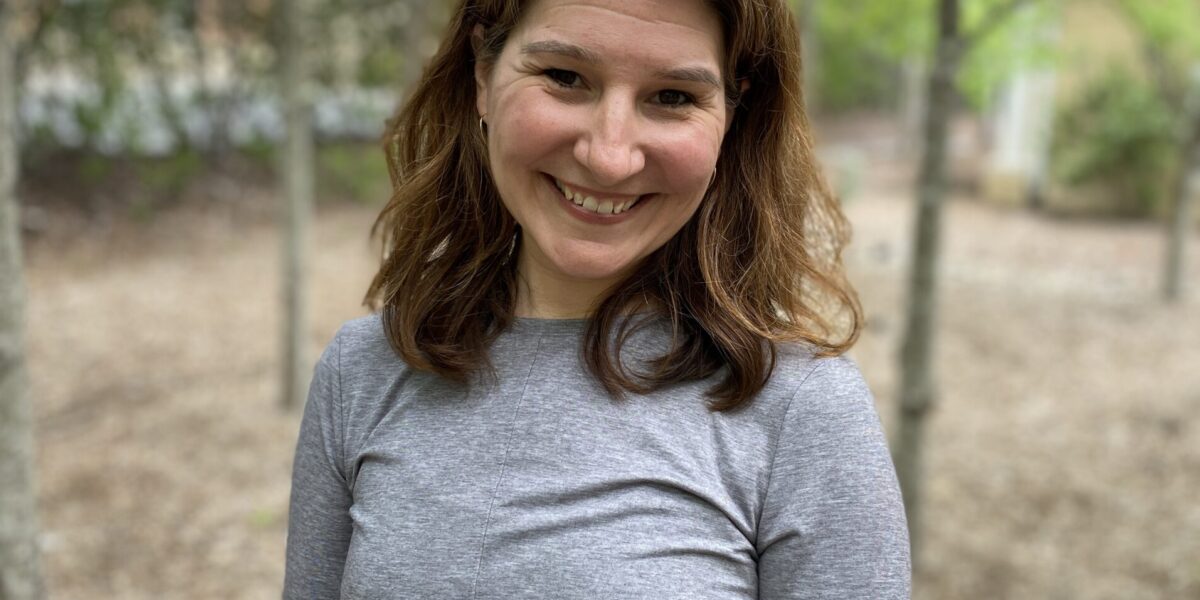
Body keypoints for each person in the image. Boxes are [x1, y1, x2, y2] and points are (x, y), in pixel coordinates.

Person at [284, 0, 911, 597]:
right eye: (564, 76)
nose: (609, 158)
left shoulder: (802, 409)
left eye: (673, 97)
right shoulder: (362, 372)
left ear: (733, 115)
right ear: (482, 74)